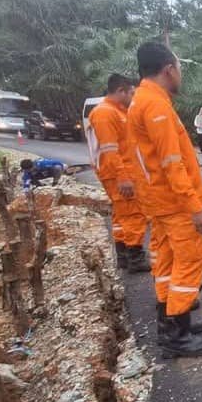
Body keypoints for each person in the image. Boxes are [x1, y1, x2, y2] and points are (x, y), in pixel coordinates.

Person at [127, 41, 202, 359]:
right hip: (174, 201)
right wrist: (195, 207)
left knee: (166, 261)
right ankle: (176, 334)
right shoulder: (155, 106)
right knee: (191, 259)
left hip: (158, 200)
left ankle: (171, 321)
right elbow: (171, 162)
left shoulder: (143, 99)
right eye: (179, 69)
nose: (181, 75)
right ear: (168, 69)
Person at [86, 73, 151, 273]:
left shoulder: (117, 111)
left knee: (122, 215)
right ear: (121, 90)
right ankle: (135, 257)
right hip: (118, 174)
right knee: (133, 214)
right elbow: (110, 150)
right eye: (131, 92)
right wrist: (123, 176)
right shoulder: (105, 113)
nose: (133, 96)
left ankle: (123, 254)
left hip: (121, 172)